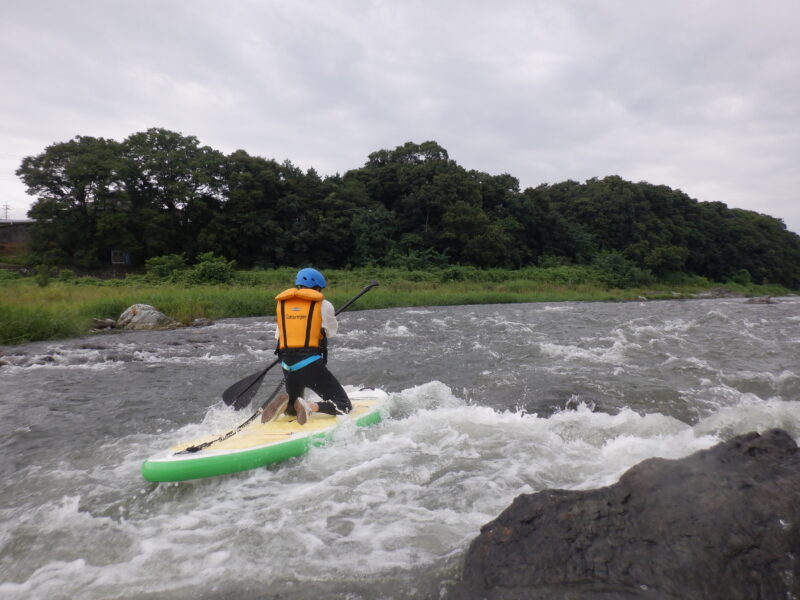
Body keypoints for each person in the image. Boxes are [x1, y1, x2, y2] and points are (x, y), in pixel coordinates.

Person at [261, 267, 351, 425]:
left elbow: (279, 335)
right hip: (310, 364)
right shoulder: (324, 304)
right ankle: (310, 406)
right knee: (344, 405)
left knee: (294, 408)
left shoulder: (283, 304)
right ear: (317, 287)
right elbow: (331, 332)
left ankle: (286, 406)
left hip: (287, 364)